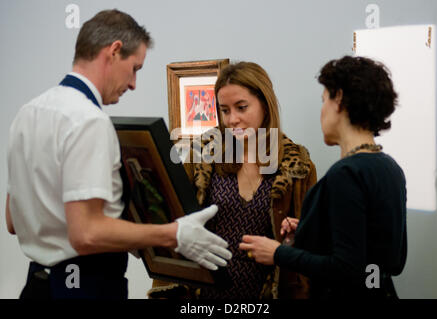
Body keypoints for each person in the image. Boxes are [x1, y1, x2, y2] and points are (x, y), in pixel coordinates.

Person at [5, 9, 231, 300]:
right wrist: (173, 234)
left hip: (37, 285)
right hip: (85, 288)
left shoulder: (27, 113)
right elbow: (86, 234)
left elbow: (13, 222)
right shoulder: (89, 120)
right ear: (114, 51)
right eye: (135, 67)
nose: (134, 83)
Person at [239, 56, 407, 299]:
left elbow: (346, 269)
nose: (321, 111)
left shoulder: (346, 174)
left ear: (338, 99)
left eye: (323, 100)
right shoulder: (390, 168)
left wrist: (277, 253)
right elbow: (390, 260)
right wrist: (312, 230)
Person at [149, 61, 317, 299]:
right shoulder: (201, 158)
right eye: (225, 110)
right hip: (204, 296)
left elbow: (312, 246)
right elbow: (172, 225)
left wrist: (292, 239)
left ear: (265, 106)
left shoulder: (298, 167)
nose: (232, 119)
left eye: (241, 107)